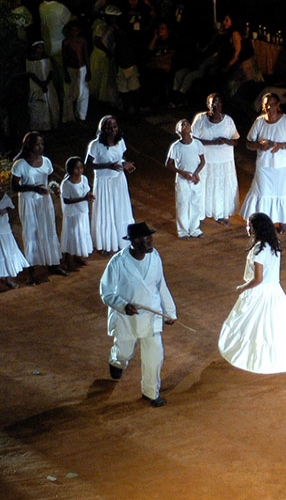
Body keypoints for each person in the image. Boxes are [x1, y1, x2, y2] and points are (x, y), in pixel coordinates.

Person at [218, 212, 286, 374]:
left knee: (253, 327)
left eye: (249, 225)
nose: (247, 227)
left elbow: (258, 279)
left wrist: (243, 288)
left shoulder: (258, 251)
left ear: (256, 228)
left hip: (259, 293)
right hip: (275, 291)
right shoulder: (274, 245)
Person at [100, 222, 176, 407]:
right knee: (126, 352)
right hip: (127, 319)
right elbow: (106, 292)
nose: (150, 242)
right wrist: (123, 306)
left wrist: (170, 312)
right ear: (133, 242)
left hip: (151, 316)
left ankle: (150, 392)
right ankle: (117, 359)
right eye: (145, 239)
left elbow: (161, 285)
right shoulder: (117, 262)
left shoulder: (155, 257)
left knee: (155, 355)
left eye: (150, 238)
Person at [11, 131, 69, 285]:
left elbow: (49, 180)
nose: (40, 147)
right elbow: (15, 186)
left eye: (42, 144)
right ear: (29, 146)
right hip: (29, 203)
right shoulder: (20, 165)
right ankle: (31, 272)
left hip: (44, 201)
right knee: (31, 233)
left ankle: (53, 264)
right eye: (37, 144)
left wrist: (54, 187)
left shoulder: (47, 162)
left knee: (48, 230)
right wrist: (33, 189)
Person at [241, 93, 286, 234]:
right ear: (263, 107)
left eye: (273, 104)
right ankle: (260, 223)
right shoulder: (259, 122)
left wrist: (281, 146)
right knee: (262, 192)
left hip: (285, 166)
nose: (270, 108)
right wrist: (259, 146)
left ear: (278, 105)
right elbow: (249, 143)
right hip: (265, 166)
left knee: (283, 192)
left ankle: (283, 224)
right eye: (267, 105)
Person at [86, 115, 136, 255]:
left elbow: (120, 158)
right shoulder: (95, 145)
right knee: (106, 212)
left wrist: (125, 164)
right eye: (109, 127)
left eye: (114, 127)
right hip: (104, 183)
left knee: (120, 209)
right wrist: (109, 165)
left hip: (119, 181)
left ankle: (122, 242)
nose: (112, 130)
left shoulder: (120, 142)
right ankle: (106, 244)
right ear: (102, 129)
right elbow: (89, 163)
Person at [191, 93, 239, 226]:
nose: (215, 106)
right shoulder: (200, 118)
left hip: (224, 160)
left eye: (218, 104)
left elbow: (236, 141)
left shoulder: (228, 120)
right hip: (206, 160)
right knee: (204, 186)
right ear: (208, 105)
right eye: (212, 104)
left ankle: (220, 214)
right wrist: (212, 143)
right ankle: (200, 213)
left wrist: (225, 141)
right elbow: (193, 139)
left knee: (221, 187)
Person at [165, 119, 205, 239]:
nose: (186, 125)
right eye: (182, 125)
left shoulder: (197, 144)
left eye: (187, 123)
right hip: (182, 180)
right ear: (178, 130)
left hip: (195, 179)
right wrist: (182, 172)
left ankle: (194, 229)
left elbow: (203, 161)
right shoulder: (176, 147)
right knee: (183, 204)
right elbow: (168, 164)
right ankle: (182, 231)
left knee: (196, 204)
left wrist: (196, 174)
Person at [60, 156, 94, 270]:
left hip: (83, 212)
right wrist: (83, 199)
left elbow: (87, 190)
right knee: (72, 236)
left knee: (81, 234)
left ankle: (77, 257)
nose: (79, 170)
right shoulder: (66, 184)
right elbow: (66, 200)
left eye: (81, 167)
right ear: (70, 169)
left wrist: (89, 195)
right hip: (72, 214)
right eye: (76, 168)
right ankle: (68, 261)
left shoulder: (84, 178)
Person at [26, 40, 61, 131]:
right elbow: (31, 73)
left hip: (47, 84)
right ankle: (40, 126)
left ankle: (52, 124)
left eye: (42, 47)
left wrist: (46, 82)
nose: (40, 50)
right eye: (38, 47)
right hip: (36, 85)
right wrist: (41, 84)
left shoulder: (46, 58)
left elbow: (50, 71)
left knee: (50, 103)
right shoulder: (30, 59)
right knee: (39, 105)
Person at [0, 185, 30, 290]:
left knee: (8, 254)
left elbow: (12, 208)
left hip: (5, 230)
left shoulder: (5, 198)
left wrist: (5, 211)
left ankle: (9, 279)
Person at [89, 4, 119, 105]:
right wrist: (107, 51)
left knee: (106, 79)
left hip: (106, 55)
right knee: (99, 79)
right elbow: (97, 41)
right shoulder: (100, 25)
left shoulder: (109, 25)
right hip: (100, 56)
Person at [61, 20, 91, 123]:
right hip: (71, 69)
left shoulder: (82, 41)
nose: (74, 33)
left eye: (76, 30)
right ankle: (69, 117)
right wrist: (65, 73)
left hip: (82, 69)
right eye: (72, 31)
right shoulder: (66, 42)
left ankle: (81, 115)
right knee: (70, 93)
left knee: (83, 93)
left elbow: (86, 56)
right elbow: (64, 58)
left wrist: (88, 71)